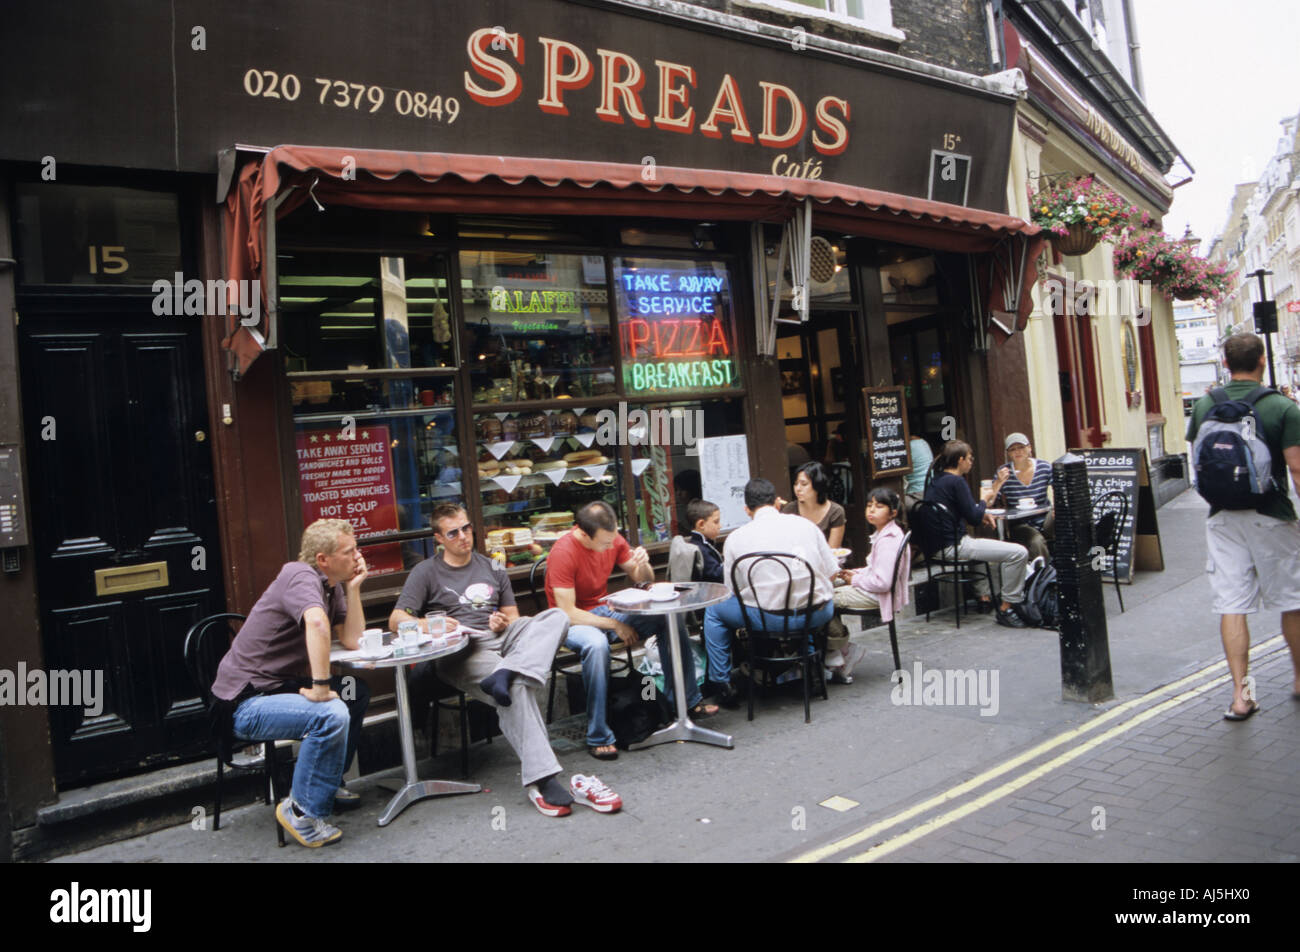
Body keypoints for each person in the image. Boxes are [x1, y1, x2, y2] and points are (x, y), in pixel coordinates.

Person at [390, 503, 621, 817]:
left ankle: (508, 671)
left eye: (466, 528)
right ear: (439, 539)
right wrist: (430, 625)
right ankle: (544, 779)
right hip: (463, 649)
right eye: (453, 533)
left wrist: (501, 621)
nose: (463, 536)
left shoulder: (492, 566)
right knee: (515, 689)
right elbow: (396, 620)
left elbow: (513, 616)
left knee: (556, 617)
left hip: (501, 638)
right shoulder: (426, 571)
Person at [210, 518, 372, 848]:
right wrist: (321, 686)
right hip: (243, 702)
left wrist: (354, 588)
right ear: (323, 559)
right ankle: (301, 811)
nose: (358, 556)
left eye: (356, 548)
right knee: (331, 712)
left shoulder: (332, 586)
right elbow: (317, 623)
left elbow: (353, 639)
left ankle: (326, 786)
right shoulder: (299, 575)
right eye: (349, 551)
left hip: (277, 689)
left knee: (355, 692)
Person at [547, 501, 717, 760]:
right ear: (582, 533)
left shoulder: (611, 537)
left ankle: (685, 702)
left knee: (667, 616)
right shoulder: (563, 552)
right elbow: (567, 612)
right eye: (604, 543)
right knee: (596, 645)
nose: (610, 546)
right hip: (570, 622)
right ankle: (598, 735)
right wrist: (616, 624)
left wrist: (643, 564)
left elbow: (643, 579)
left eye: (612, 540)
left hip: (604, 607)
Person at [1186, 332, 1300, 721]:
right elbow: (1296, 468)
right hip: (1271, 515)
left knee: (1233, 605)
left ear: (1226, 363)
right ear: (1262, 361)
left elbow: (1199, 461)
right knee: (1292, 601)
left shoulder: (1205, 404)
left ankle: (1241, 695)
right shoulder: (1281, 406)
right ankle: (1299, 679)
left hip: (1222, 518)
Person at [703, 478, 838, 705]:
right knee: (804, 598)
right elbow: (831, 572)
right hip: (816, 613)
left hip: (769, 619)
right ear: (777, 502)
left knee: (714, 611)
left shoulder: (736, 538)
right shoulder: (806, 526)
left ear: (747, 510)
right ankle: (811, 666)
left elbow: (732, 589)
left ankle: (722, 684)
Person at [921, 440, 1030, 628]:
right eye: (970, 459)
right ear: (960, 460)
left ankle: (985, 597)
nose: (972, 463)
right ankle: (1007, 607)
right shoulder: (957, 481)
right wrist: (984, 500)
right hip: (954, 547)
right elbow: (973, 518)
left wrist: (981, 511)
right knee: (1019, 553)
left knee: (984, 548)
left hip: (934, 548)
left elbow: (967, 512)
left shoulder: (937, 480)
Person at [826, 488, 911, 684]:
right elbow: (876, 569)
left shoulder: (888, 540)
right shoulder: (884, 533)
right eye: (869, 505)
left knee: (822, 598)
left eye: (879, 506)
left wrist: (854, 581)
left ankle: (843, 651)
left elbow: (883, 582)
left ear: (893, 513)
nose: (871, 510)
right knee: (832, 584)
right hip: (873, 589)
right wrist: (856, 573)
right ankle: (837, 650)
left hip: (878, 595)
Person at [996, 432, 1054, 563]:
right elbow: (989, 502)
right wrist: (998, 482)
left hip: (1045, 519)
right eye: (1013, 449)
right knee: (1036, 541)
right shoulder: (1004, 472)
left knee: (1066, 521)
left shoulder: (1044, 467)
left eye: (1021, 447)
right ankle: (1046, 573)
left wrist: (1056, 508)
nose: (1017, 451)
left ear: (1029, 448)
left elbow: (1060, 489)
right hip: (1021, 524)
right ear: (1008, 453)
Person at [781, 461, 847, 548]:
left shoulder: (835, 512)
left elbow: (833, 551)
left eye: (804, 484)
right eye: (796, 484)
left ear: (818, 485)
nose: (798, 488)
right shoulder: (789, 510)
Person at [682, 498, 724, 583]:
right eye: (716, 522)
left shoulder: (701, 543)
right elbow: (717, 575)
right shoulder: (701, 549)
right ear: (701, 524)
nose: (720, 526)